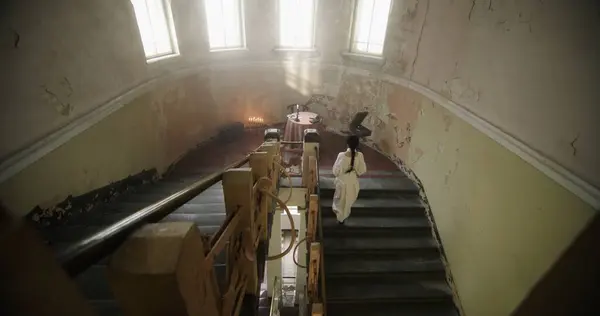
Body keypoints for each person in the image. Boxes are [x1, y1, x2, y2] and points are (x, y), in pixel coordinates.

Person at [331, 135, 367, 224]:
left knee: (340, 201)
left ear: (347, 144)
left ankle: (340, 218)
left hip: (342, 181)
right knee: (347, 202)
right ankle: (343, 218)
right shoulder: (360, 155)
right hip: (352, 182)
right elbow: (362, 170)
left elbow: (335, 171)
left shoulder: (341, 155)